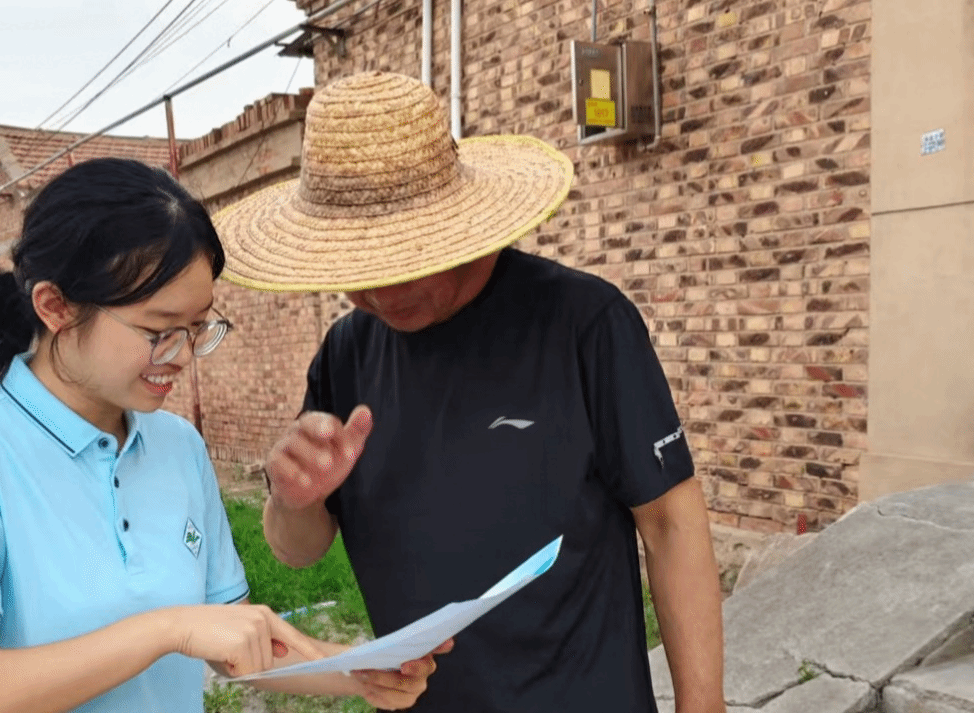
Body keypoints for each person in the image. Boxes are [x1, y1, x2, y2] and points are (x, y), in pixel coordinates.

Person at [211, 72, 727, 712]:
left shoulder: (583, 323)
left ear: (458, 225)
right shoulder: (347, 353)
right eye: (356, 268)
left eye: (404, 259)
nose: (382, 294)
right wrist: (294, 500)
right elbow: (298, 550)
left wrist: (703, 706)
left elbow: (670, 521)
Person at [0, 157, 448, 713]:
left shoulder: (177, 446)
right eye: (158, 331)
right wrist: (167, 629)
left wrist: (362, 671)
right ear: (55, 307)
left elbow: (235, 645)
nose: (182, 356)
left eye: (197, 328)